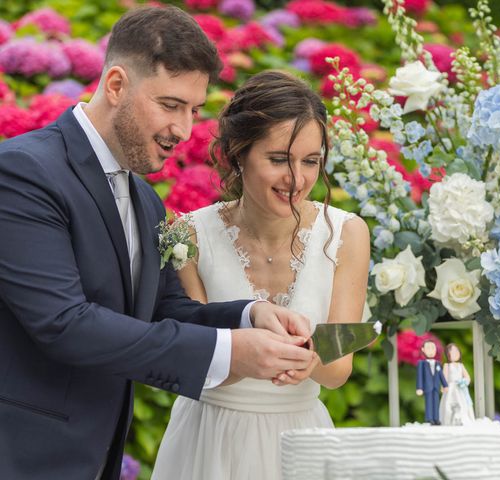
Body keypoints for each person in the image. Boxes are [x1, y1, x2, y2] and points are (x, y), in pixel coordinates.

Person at [0, 8, 315, 480]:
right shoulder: (24, 172)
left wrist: (249, 316)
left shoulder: (145, 200)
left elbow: (164, 309)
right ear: (116, 85)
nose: (185, 131)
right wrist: (228, 352)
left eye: (194, 110)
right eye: (170, 105)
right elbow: (65, 323)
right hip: (24, 458)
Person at [151, 70, 371, 480]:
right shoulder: (189, 234)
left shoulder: (347, 234)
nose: (298, 179)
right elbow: (192, 353)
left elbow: (339, 369)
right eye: (278, 160)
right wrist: (246, 354)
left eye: (310, 161)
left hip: (299, 440)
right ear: (238, 152)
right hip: (209, 438)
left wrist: (309, 360)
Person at [439, 343, 474, 426]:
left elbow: (467, 376)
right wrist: (444, 386)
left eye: (457, 351)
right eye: (452, 352)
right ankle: (449, 420)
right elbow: (444, 378)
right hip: (451, 388)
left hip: (460, 388)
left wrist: (464, 381)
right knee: (449, 402)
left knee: (462, 403)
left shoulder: (461, 365)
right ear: (448, 354)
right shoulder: (447, 365)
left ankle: (463, 419)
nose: (455, 354)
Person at [416, 340, 448, 425]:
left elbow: (441, 375)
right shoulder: (421, 363)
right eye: (428, 348)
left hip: (436, 386)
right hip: (427, 386)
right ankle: (429, 419)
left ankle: (436, 418)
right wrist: (419, 387)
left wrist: (445, 385)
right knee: (429, 403)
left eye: (433, 348)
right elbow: (419, 376)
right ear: (423, 349)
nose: (431, 351)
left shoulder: (438, 363)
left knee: (436, 403)